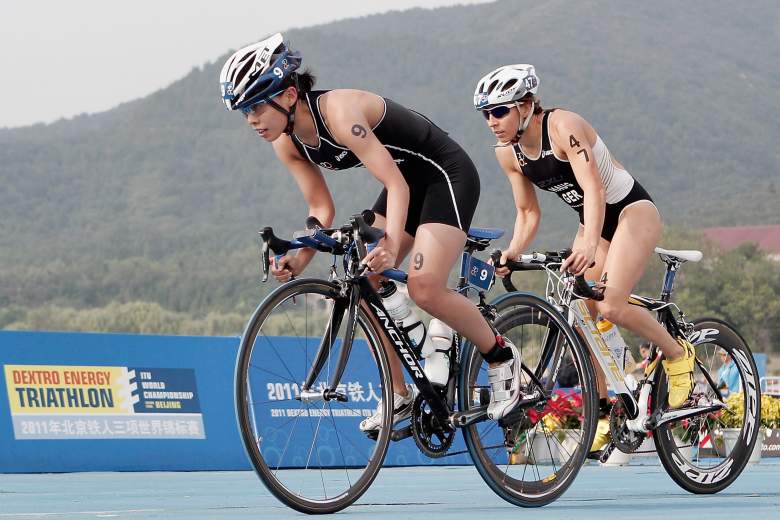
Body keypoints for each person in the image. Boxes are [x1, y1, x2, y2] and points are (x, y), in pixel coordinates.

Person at [220, 34, 525, 432]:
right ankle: (400, 393)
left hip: (444, 175)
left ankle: (501, 357)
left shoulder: (340, 113)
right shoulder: (286, 143)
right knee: (360, 280)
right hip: (403, 184)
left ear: (290, 94)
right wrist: (297, 260)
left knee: (424, 287)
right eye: (244, 111)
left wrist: (392, 242)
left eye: (257, 105)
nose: (252, 119)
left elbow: (397, 185)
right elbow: (319, 209)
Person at [473, 64, 696, 453]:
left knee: (611, 303)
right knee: (579, 311)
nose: (491, 121)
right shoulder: (507, 153)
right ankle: (609, 407)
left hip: (630, 213)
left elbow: (592, 188)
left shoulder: (564, 126)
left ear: (526, 105)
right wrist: (512, 250)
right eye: (486, 114)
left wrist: (590, 244)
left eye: (499, 111)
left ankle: (678, 355)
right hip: (591, 224)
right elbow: (528, 213)